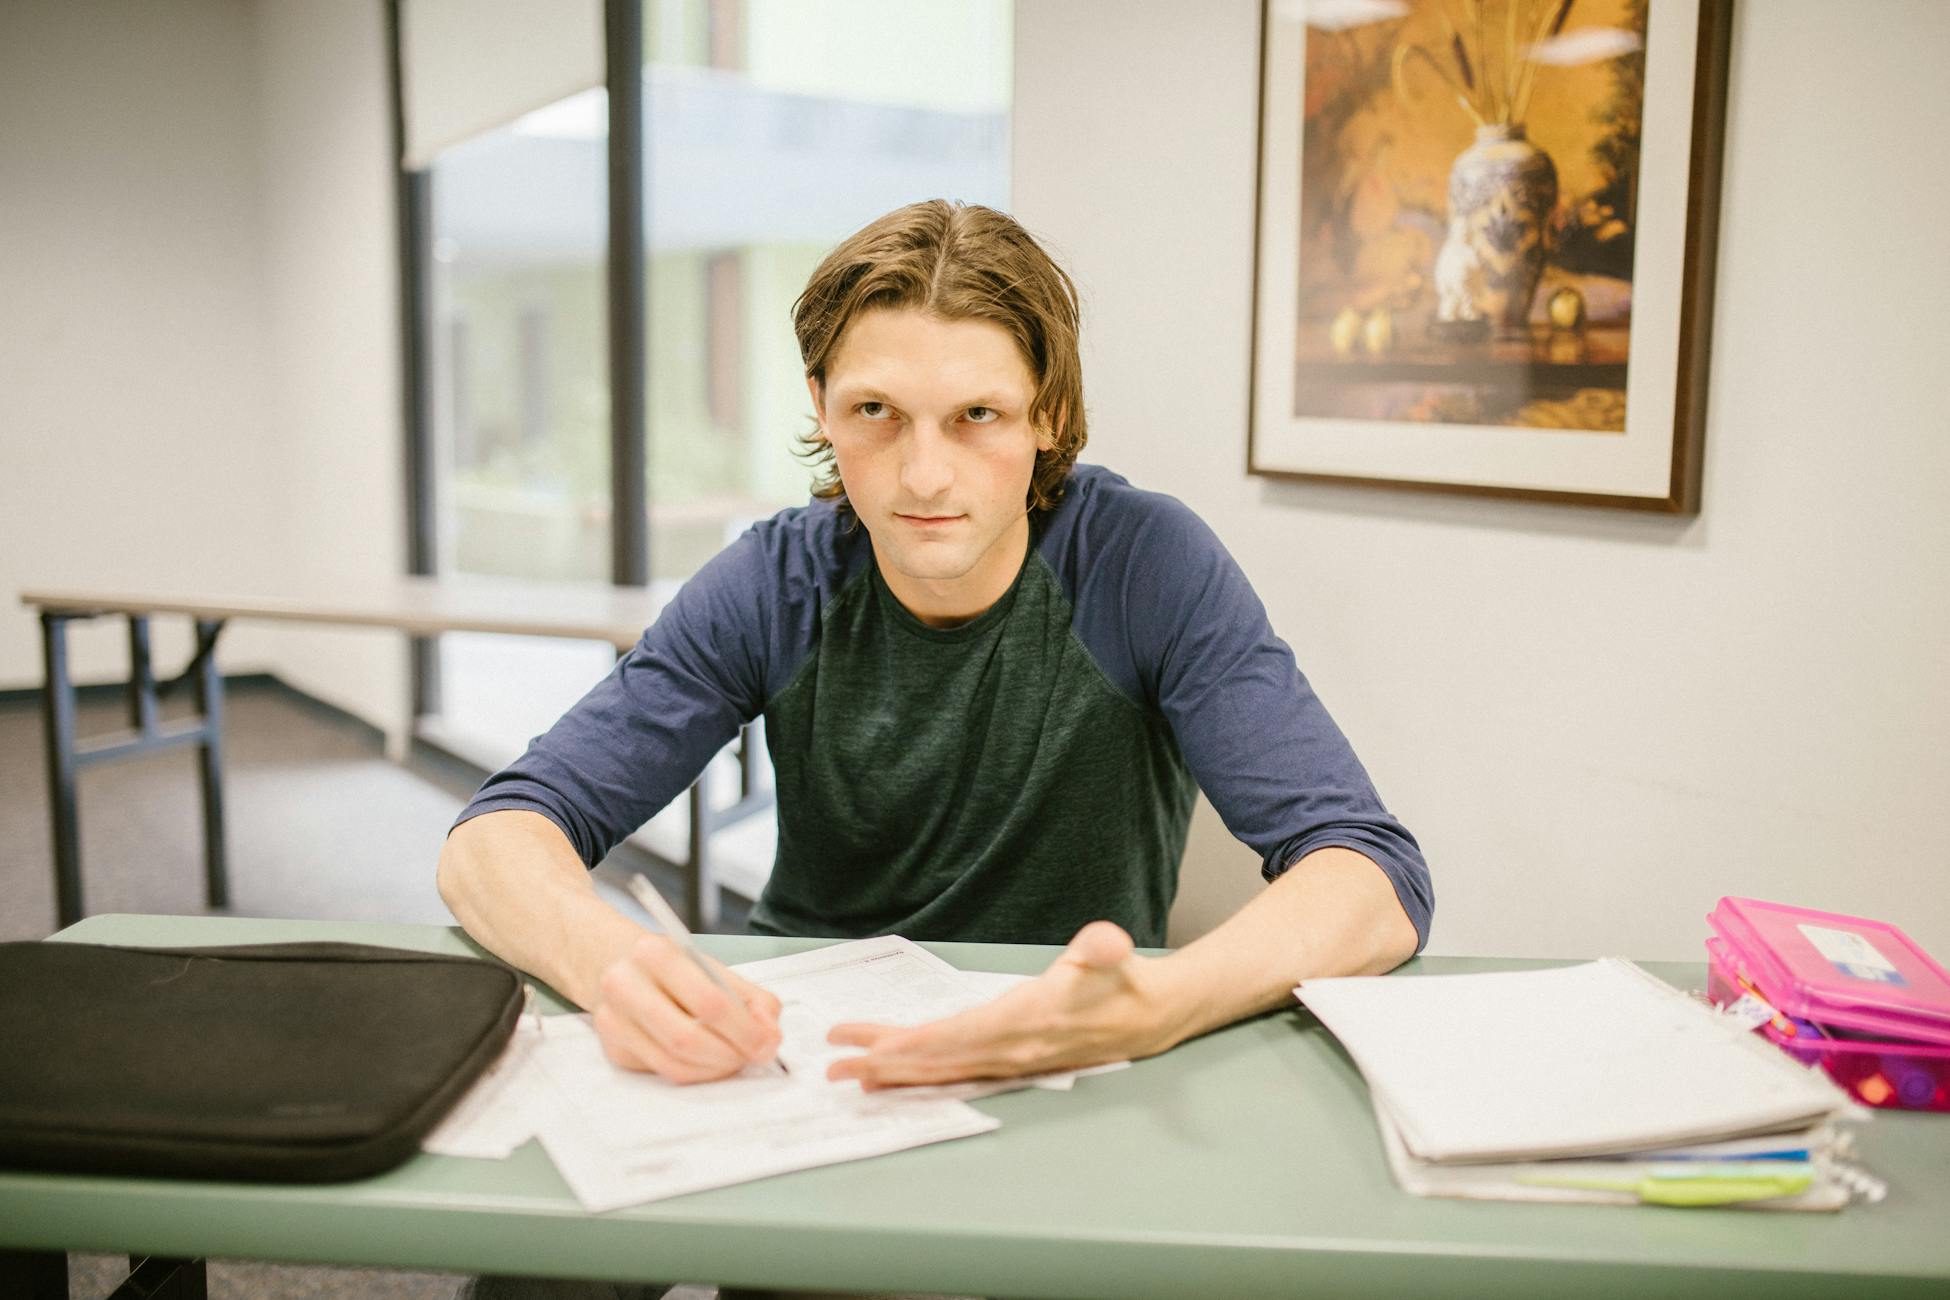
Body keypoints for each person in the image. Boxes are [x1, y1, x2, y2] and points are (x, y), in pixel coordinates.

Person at [437, 199, 1432, 1096]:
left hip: (1059, 1054)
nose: (922, 473)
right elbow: (497, 838)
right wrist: (607, 962)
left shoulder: (1143, 564)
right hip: (802, 1050)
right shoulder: (775, 582)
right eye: (876, 412)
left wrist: (1164, 999)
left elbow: (1372, 879)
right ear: (823, 404)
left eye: (977, 417)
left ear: (1048, 411)